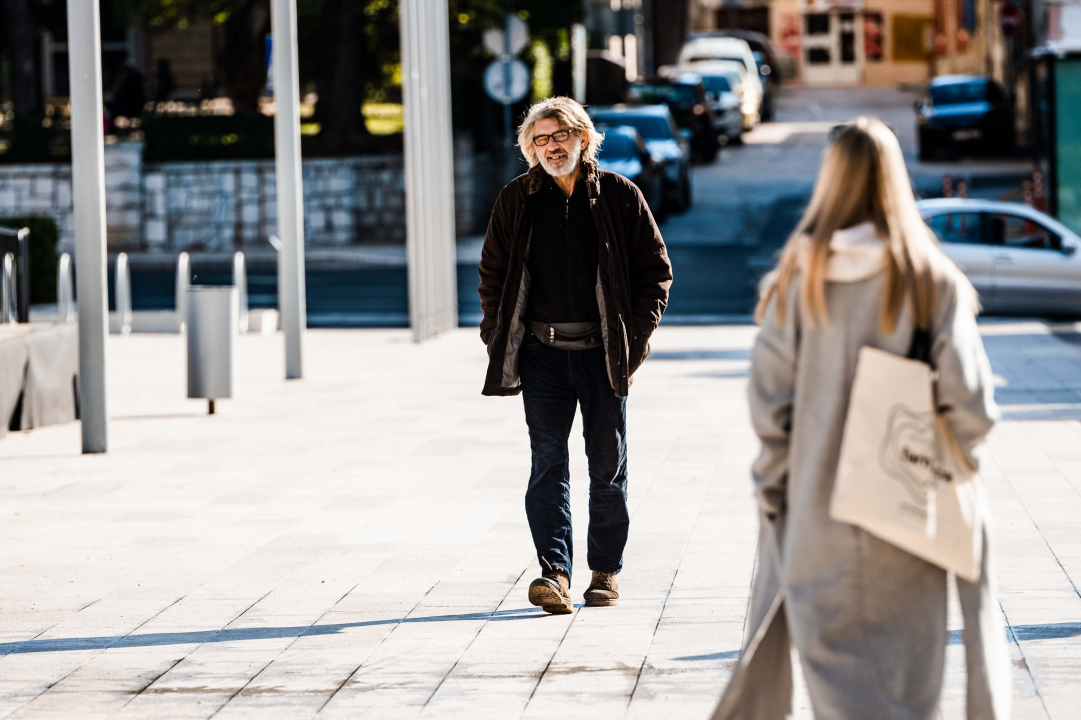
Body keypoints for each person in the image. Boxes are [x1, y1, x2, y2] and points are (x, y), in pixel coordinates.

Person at [713, 118, 1011, 719]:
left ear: (832, 181)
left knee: (840, 704)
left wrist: (778, 494)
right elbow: (973, 408)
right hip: (907, 529)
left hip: (815, 529)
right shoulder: (932, 283)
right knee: (909, 700)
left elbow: (769, 407)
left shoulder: (797, 283)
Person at [478, 97, 672, 614]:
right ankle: (553, 573)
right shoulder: (516, 199)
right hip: (542, 355)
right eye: (540, 139)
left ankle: (604, 572)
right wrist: (495, 332)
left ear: (583, 137)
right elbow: (492, 274)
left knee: (607, 467)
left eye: (560, 134)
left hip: (602, 354)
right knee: (548, 464)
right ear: (530, 148)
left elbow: (656, 273)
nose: (551, 146)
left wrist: (635, 340)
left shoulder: (618, 195)